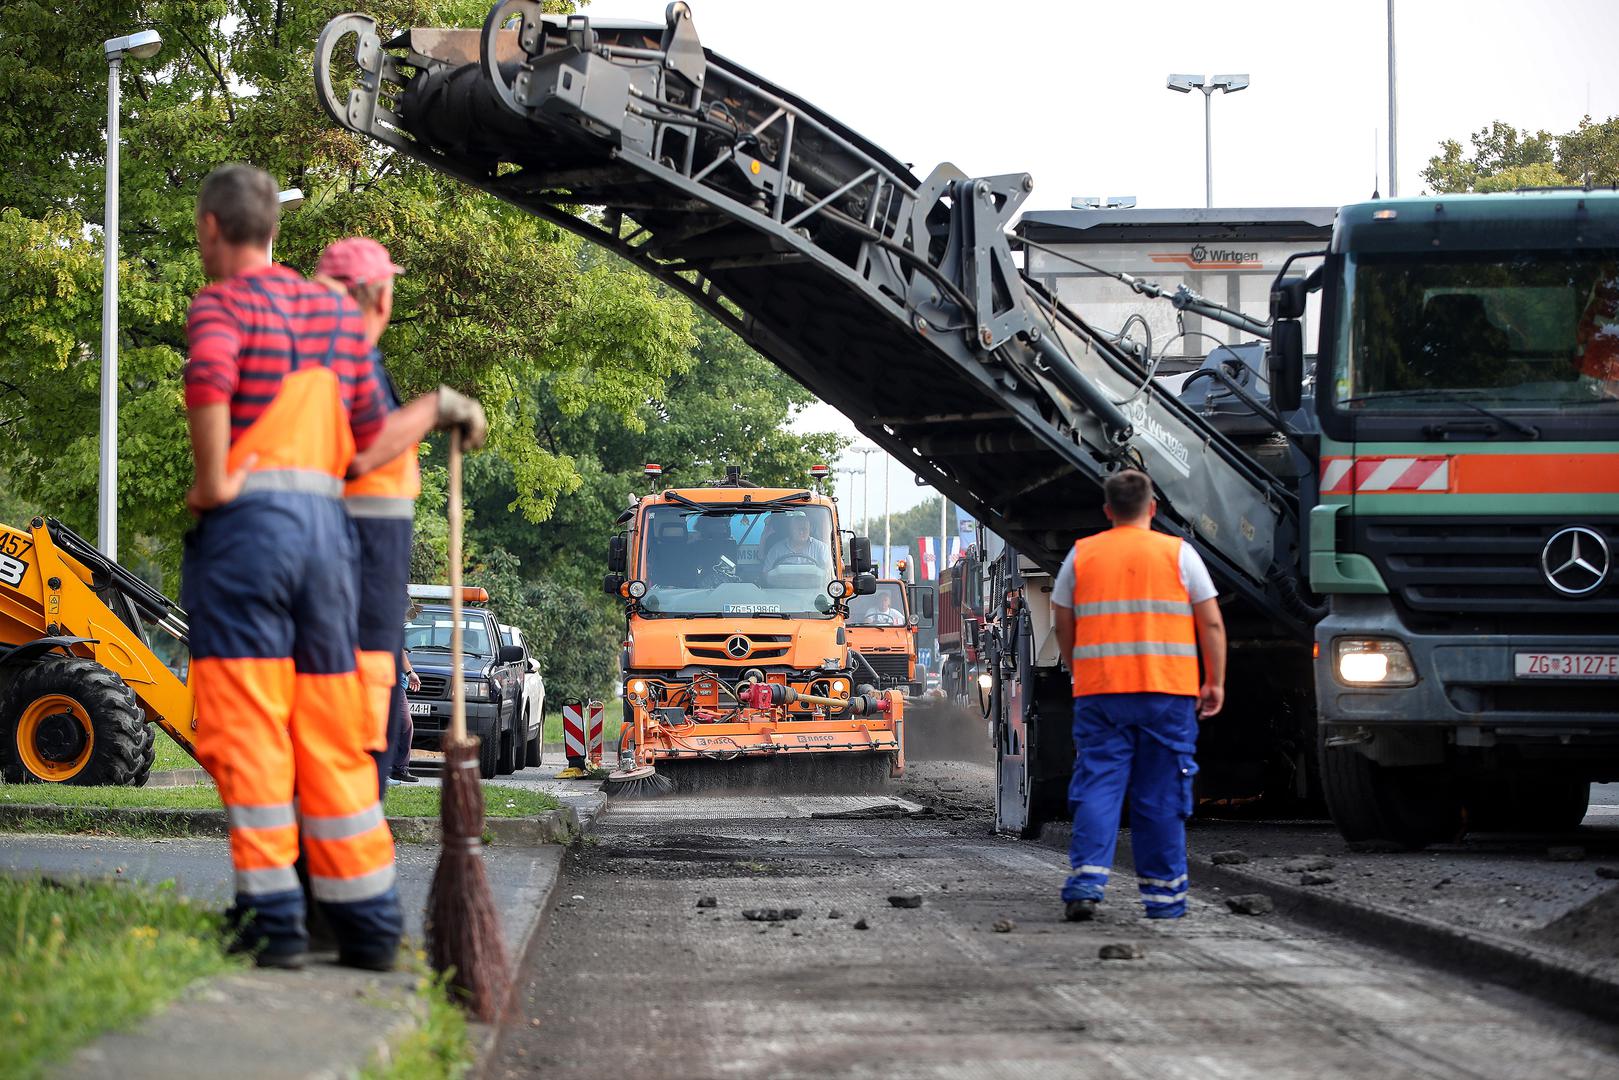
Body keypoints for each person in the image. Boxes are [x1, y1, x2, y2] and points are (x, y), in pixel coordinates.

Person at [181, 165, 482, 970]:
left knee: (249, 728)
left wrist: (214, 484)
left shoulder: (223, 304)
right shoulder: (327, 316)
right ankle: (371, 928)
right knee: (330, 741)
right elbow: (364, 437)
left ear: (212, 229)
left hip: (249, 543)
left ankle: (276, 925)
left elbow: (209, 377)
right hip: (329, 558)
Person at [313, 237, 483, 791]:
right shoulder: (340, 355)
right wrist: (435, 407)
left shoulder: (347, 356)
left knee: (373, 705)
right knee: (362, 714)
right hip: (355, 561)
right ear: (374, 295)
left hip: (365, 564)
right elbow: (363, 450)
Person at [1050, 469, 1225, 922]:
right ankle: (1164, 899)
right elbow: (1210, 623)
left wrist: (1077, 669)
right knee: (1161, 794)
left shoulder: (1082, 556)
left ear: (1108, 511)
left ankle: (1086, 884)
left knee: (1099, 787)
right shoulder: (1178, 555)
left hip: (1102, 693)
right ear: (1152, 508)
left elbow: (1061, 619)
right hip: (1168, 694)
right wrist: (1215, 681)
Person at [762, 511, 831, 575]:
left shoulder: (822, 548)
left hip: (815, 588)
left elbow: (828, 573)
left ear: (810, 530)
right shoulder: (776, 550)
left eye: (804, 529)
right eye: (798, 529)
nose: (801, 532)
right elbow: (766, 574)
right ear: (790, 530)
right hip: (782, 587)